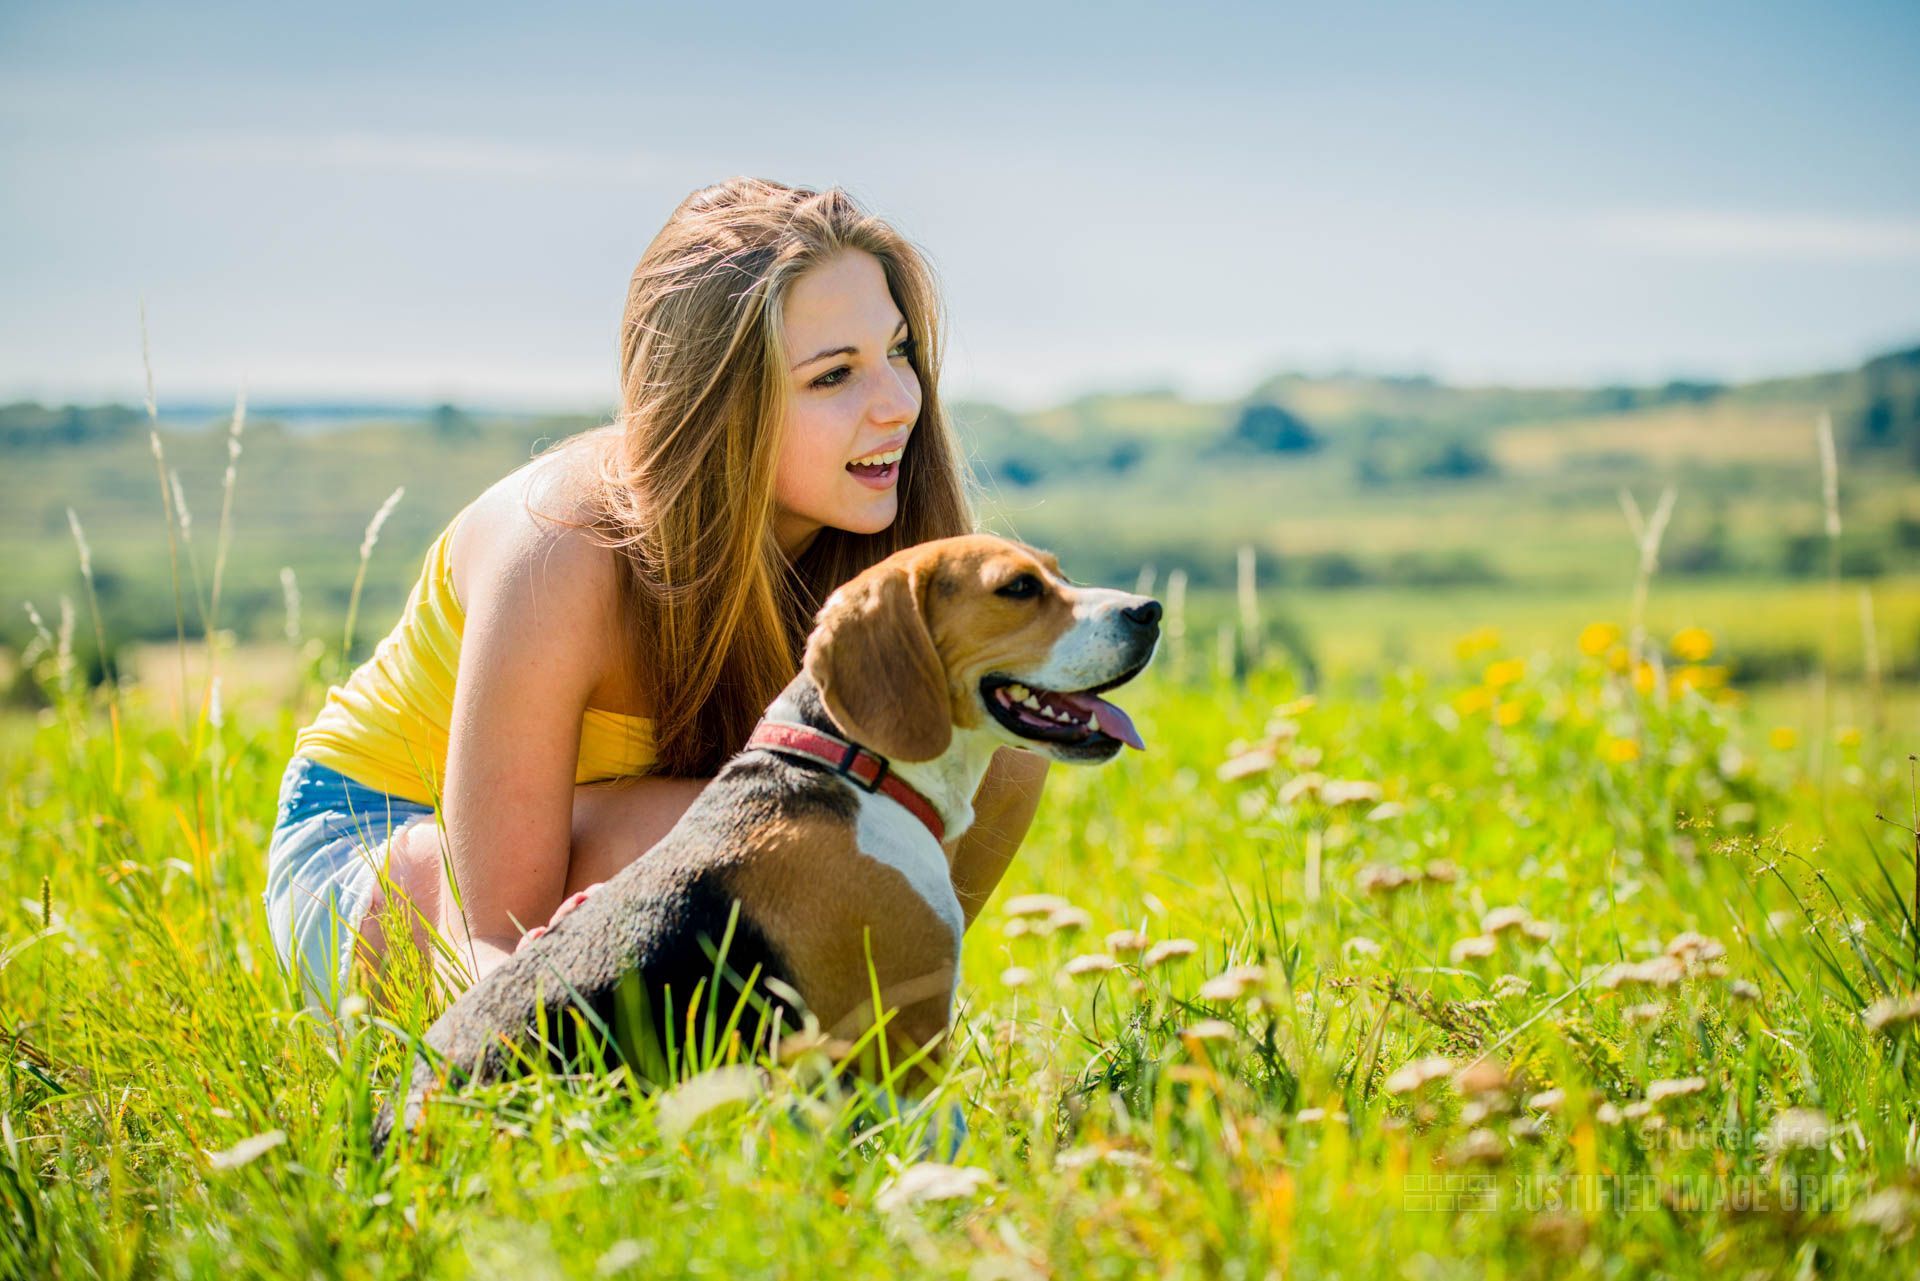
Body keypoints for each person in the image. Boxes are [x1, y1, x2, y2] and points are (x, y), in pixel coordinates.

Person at [262, 177, 1052, 1012]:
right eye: (833, 377)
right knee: (794, 834)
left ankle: (853, 1035)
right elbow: (491, 927)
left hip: (620, 828)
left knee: (997, 741)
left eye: (898, 351)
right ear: (718, 403)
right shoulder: (558, 547)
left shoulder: (860, 545)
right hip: (384, 839)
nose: (898, 405)